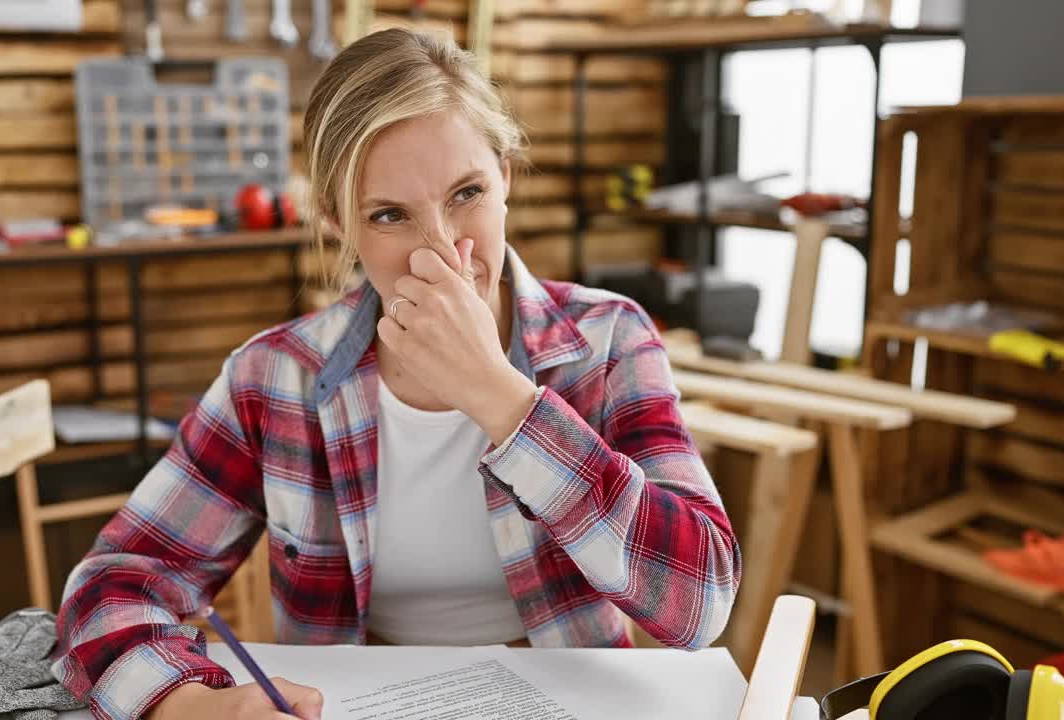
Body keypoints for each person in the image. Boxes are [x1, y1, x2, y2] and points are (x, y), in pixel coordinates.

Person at [52, 27, 741, 720]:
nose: (444, 254)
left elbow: (700, 603)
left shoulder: (608, 341)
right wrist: (199, 706)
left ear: (505, 175)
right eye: (390, 216)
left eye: (466, 193)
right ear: (337, 221)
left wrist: (501, 399)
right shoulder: (274, 378)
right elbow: (115, 584)